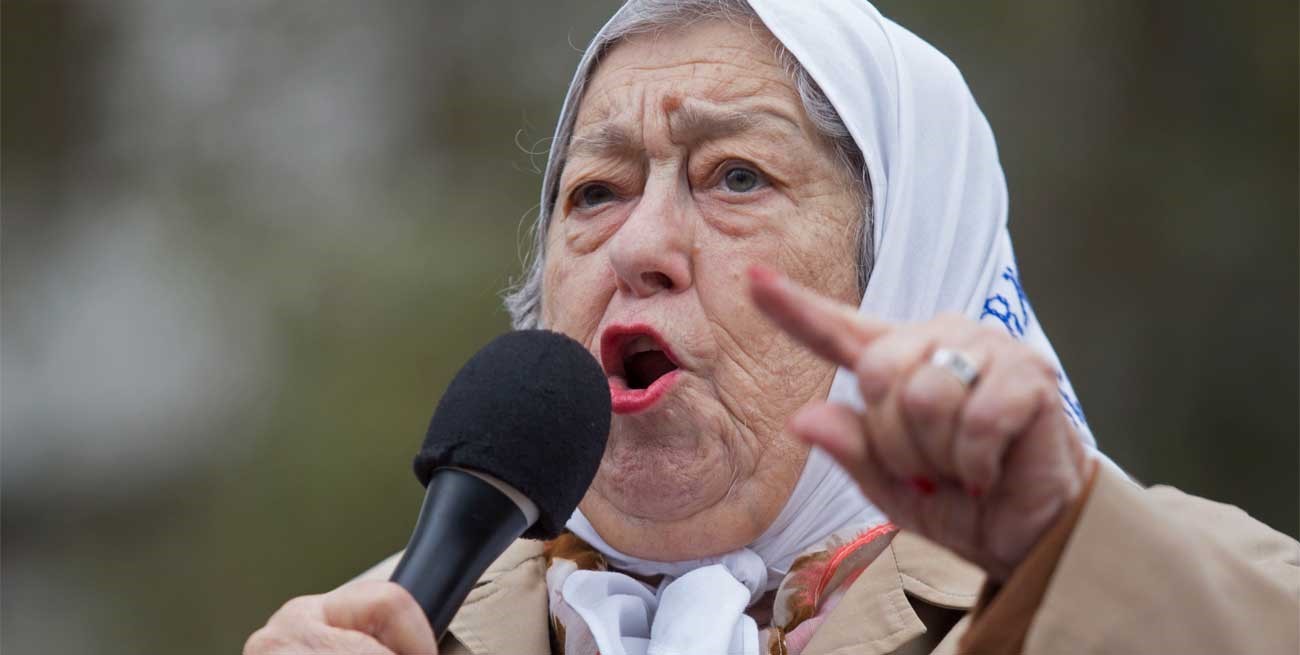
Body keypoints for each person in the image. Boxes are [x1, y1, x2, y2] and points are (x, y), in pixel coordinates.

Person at [244, 1, 1300, 653]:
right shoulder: (380, 629)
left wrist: (1064, 554)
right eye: (597, 191)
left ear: (906, 270)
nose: (638, 246)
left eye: (736, 176)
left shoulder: (1132, 592)